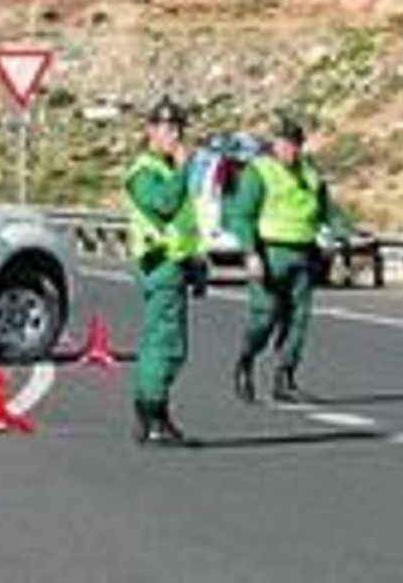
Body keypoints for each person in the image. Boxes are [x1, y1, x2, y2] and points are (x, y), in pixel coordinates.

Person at [227, 111, 356, 404]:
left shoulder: (310, 175)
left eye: (295, 144)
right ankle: (246, 361)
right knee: (265, 316)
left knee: (299, 320)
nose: (290, 150)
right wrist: (250, 254)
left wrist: (344, 234)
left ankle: (285, 378)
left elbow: (328, 212)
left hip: (303, 256)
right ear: (275, 144)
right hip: (269, 254)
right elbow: (241, 216)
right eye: (284, 143)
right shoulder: (259, 172)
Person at [124, 97, 204, 447]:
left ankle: (154, 415)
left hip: (175, 264)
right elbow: (166, 205)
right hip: (159, 266)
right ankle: (152, 415)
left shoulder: (167, 169)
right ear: (150, 131)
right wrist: (186, 169)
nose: (174, 135)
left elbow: (184, 225)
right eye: (166, 128)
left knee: (162, 343)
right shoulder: (145, 172)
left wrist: (196, 262)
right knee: (166, 346)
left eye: (178, 129)